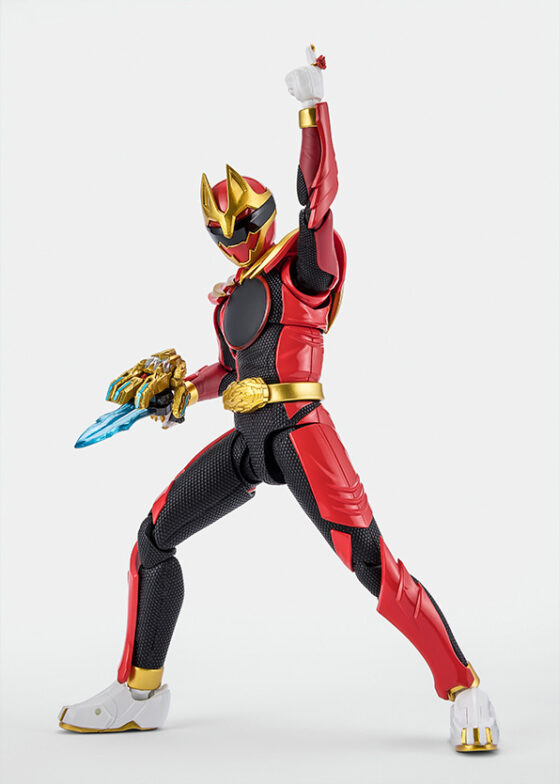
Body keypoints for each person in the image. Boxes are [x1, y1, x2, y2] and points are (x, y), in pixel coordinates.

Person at [59, 47, 499, 752]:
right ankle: (141, 691)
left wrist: (313, 110)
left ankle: (463, 685)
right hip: (248, 441)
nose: (231, 238)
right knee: (153, 541)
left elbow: (318, 199)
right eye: (219, 229)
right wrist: (175, 395)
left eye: (241, 223)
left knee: (371, 563)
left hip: (300, 432)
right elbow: (226, 370)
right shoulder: (234, 294)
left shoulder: (304, 267)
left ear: (262, 217)